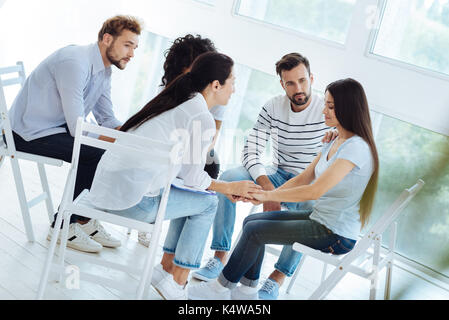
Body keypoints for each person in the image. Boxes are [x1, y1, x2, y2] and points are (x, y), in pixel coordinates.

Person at [87, 52, 262, 300]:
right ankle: (178, 282)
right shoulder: (201, 116)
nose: (234, 90)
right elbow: (192, 178)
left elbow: (185, 176)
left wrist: (222, 187)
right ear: (215, 85)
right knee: (208, 202)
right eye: (232, 82)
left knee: (196, 197)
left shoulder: (176, 101)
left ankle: (166, 268)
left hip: (104, 192)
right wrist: (230, 187)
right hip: (131, 203)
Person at [189, 78, 380, 300]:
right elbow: (303, 178)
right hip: (320, 219)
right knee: (251, 222)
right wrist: (264, 196)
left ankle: (218, 289)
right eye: (325, 104)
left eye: (330, 107)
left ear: (348, 109)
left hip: (334, 234)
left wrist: (267, 195)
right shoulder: (334, 140)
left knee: (254, 231)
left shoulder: (356, 148)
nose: (324, 111)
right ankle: (247, 290)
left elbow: (313, 191)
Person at [192, 52, 334, 299]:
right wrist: (267, 187)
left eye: (302, 80)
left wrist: (277, 194)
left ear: (311, 78)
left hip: (307, 183)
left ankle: (276, 279)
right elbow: (251, 151)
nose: (298, 88)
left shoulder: (327, 112)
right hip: (276, 174)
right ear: (282, 84)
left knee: (313, 206)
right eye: (290, 83)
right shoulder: (273, 106)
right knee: (227, 178)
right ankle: (219, 256)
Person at [7, 15, 142, 253]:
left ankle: (83, 219)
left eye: (135, 47)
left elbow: (107, 118)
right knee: (94, 153)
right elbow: (77, 126)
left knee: (106, 150)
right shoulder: (75, 62)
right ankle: (63, 226)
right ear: (107, 39)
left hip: (53, 128)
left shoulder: (104, 70)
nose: (131, 54)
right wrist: (112, 142)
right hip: (27, 133)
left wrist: (131, 134)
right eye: (127, 45)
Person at [138, 34, 224, 247]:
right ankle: (152, 215)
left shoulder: (217, 91)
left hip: (196, 143)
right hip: (166, 143)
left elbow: (212, 134)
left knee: (211, 164)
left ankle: (177, 232)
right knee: (175, 166)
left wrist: (195, 153)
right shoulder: (172, 86)